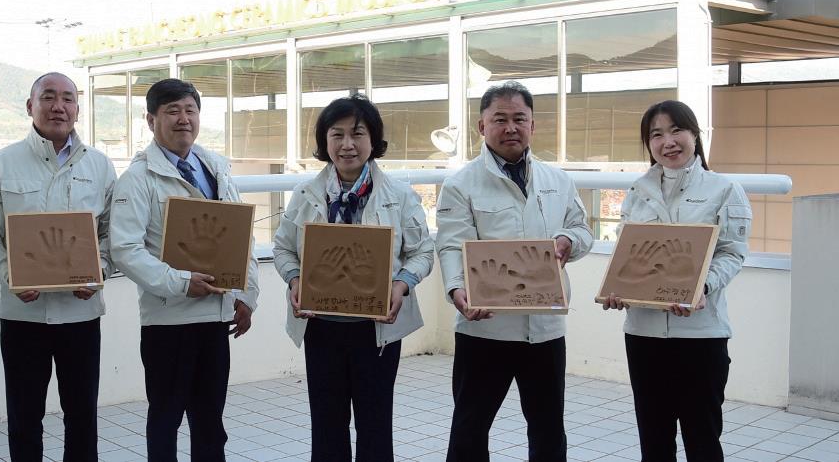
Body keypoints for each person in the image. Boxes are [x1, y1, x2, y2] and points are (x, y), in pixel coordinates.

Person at [436, 80, 594, 462]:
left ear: (532, 125)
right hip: (484, 328)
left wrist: (568, 241)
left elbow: (582, 229)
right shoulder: (460, 184)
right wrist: (457, 290)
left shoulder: (558, 180)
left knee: (548, 431)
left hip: (545, 328)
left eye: (519, 119)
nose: (511, 128)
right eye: (500, 119)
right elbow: (452, 244)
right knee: (470, 430)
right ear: (482, 126)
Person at [272, 95, 434, 461]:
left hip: (376, 331)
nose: (347, 144)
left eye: (358, 134)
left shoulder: (400, 196)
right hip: (321, 327)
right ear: (324, 141)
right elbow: (283, 248)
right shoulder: (305, 194)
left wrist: (401, 284)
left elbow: (423, 252)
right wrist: (295, 280)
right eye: (337, 134)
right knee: (326, 426)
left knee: (375, 427)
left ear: (373, 140)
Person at [109, 78, 259, 462]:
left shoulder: (216, 168)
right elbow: (124, 249)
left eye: (190, 110)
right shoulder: (138, 179)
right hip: (168, 322)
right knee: (166, 419)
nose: (183, 119)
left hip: (215, 318)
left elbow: (240, 235)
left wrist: (246, 296)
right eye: (172, 111)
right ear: (151, 120)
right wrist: (180, 282)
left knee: (210, 424)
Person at [0, 72, 116, 461]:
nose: (58, 107)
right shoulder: (2, 164)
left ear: (78, 109)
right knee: (24, 417)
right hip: (22, 314)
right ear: (30, 106)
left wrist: (99, 271)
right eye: (48, 97)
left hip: (81, 313)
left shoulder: (100, 165)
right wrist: (11, 277)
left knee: (82, 416)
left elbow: (111, 233)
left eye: (68, 98)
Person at [601, 100, 751, 461]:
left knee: (702, 440)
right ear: (648, 144)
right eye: (656, 135)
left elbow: (732, 253)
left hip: (700, 335)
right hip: (644, 335)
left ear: (694, 135)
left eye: (676, 130)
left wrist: (703, 286)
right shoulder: (637, 191)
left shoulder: (724, 189)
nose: (667, 141)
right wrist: (619, 289)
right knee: (654, 441)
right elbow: (626, 254)